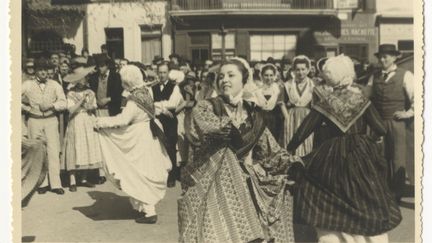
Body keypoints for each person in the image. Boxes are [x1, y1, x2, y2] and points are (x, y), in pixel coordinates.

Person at [178, 57, 303, 242]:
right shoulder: (206, 106)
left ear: (244, 80)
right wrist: (234, 118)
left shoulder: (253, 113)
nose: (224, 80)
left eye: (231, 75)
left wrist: (292, 162)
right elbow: (210, 129)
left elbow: (270, 147)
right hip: (210, 180)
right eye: (221, 76)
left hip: (243, 181)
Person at [287, 54, 402, 243]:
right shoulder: (361, 100)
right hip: (361, 151)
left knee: (330, 194)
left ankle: (338, 237)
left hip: (332, 153)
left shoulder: (327, 101)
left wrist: (289, 149)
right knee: (364, 195)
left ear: (331, 77)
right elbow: (380, 128)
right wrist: (369, 141)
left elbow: (304, 130)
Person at [94, 65, 172, 224]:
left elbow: (123, 120)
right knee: (146, 169)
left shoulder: (133, 100)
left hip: (138, 136)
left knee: (137, 171)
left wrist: (101, 122)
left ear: (127, 82)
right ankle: (145, 209)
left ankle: (149, 212)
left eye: (123, 81)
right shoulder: (146, 92)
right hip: (148, 133)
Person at [367, 44, 414, 201]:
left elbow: (418, 98)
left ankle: (397, 193)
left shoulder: (405, 75)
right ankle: (384, 191)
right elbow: (366, 97)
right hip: (379, 122)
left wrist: (408, 113)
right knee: (381, 156)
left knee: (397, 157)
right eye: (380, 56)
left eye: (386, 56)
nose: (382, 59)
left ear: (395, 57)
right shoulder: (375, 76)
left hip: (396, 123)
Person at [22, 58, 67, 195]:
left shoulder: (55, 84)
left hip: (51, 120)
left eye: (45, 70)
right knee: (37, 152)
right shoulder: (27, 85)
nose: (43, 73)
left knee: (53, 150)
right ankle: (41, 183)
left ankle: (55, 184)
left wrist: (52, 105)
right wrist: (27, 109)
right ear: (35, 71)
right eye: (40, 70)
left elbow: (64, 102)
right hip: (34, 120)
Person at [61, 65, 102, 192]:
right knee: (74, 148)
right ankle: (72, 180)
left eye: (84, 78)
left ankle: (83, 178)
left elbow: (94, 107)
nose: (83, 80)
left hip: (87, 120)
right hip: (76, 120)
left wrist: (90, 106)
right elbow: (71, 110)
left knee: (86, 148)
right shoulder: (71, 93)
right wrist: (82, 100)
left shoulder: (90, 92)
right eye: (81, 78)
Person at [152, 62, 183, 187]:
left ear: (168, 73)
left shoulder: (174, 87)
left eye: (164, 72)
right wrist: (163, 109)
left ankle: (172, 177)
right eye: (160, 72)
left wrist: (158, 105)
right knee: (157, 147)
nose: (162, 75)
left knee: (170, 147)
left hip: (170, 122)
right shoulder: (153, 87)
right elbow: (150, 103)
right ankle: (160, 175)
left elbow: (173, 104)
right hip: (157, 121)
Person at [280, 55, 315, 156]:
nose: (300, 72)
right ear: (294, 71)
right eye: (298, 69)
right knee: (290, 139)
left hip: (307, 116)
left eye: (303, 69)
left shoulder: (313, 85)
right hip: (291, 116)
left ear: (308, 70)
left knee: (306, 140)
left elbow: (316, 104)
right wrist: (287, 118)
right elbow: (282, 102)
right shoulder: (287, 85)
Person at [256, 63, 283, 141]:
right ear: (262, 76)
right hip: (261, 120)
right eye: (266, 75)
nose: (269, 78)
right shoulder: (257, 90)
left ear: (275, 76)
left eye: (271, 75)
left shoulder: (279, 89)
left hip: (275, 121)